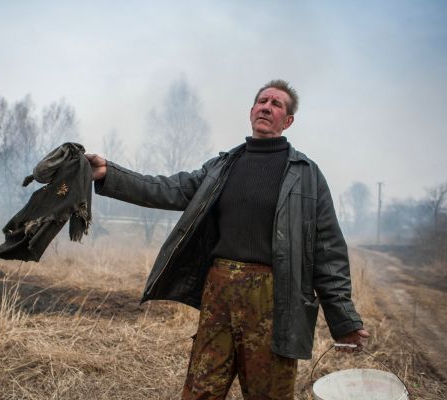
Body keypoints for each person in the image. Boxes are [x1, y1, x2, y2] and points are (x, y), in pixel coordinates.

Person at [86, 79, 369, 399]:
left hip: (273, 299)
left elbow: (328, 249)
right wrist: (109, 173)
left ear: (288, 121)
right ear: (251, 111)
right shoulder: (223, 166)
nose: (267, 106)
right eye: (262, 101)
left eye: (277, 104)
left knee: (269, 394)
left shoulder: (307, 175)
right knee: (201, 390)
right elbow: (169, 189)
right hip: (218, 293)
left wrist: (343, 318)